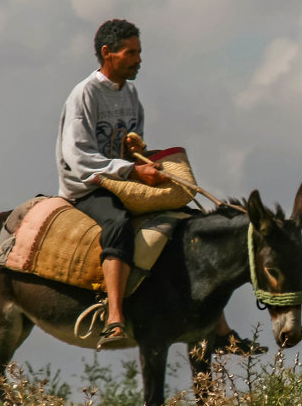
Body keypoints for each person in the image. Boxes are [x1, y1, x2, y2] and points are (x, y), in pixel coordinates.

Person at [56, 19, 264, 353]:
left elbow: (129, 144)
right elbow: (77, 156)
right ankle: (114, 318)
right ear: (107, 54)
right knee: (118, 226)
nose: (138, 59)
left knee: (186, 222)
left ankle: (221, 330)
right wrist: (135, 172)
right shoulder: (85, 94)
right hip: (89, 186)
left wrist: (140, 158)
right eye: (131, 53)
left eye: (139, 52)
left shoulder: (131, 94)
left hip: (125, 181)